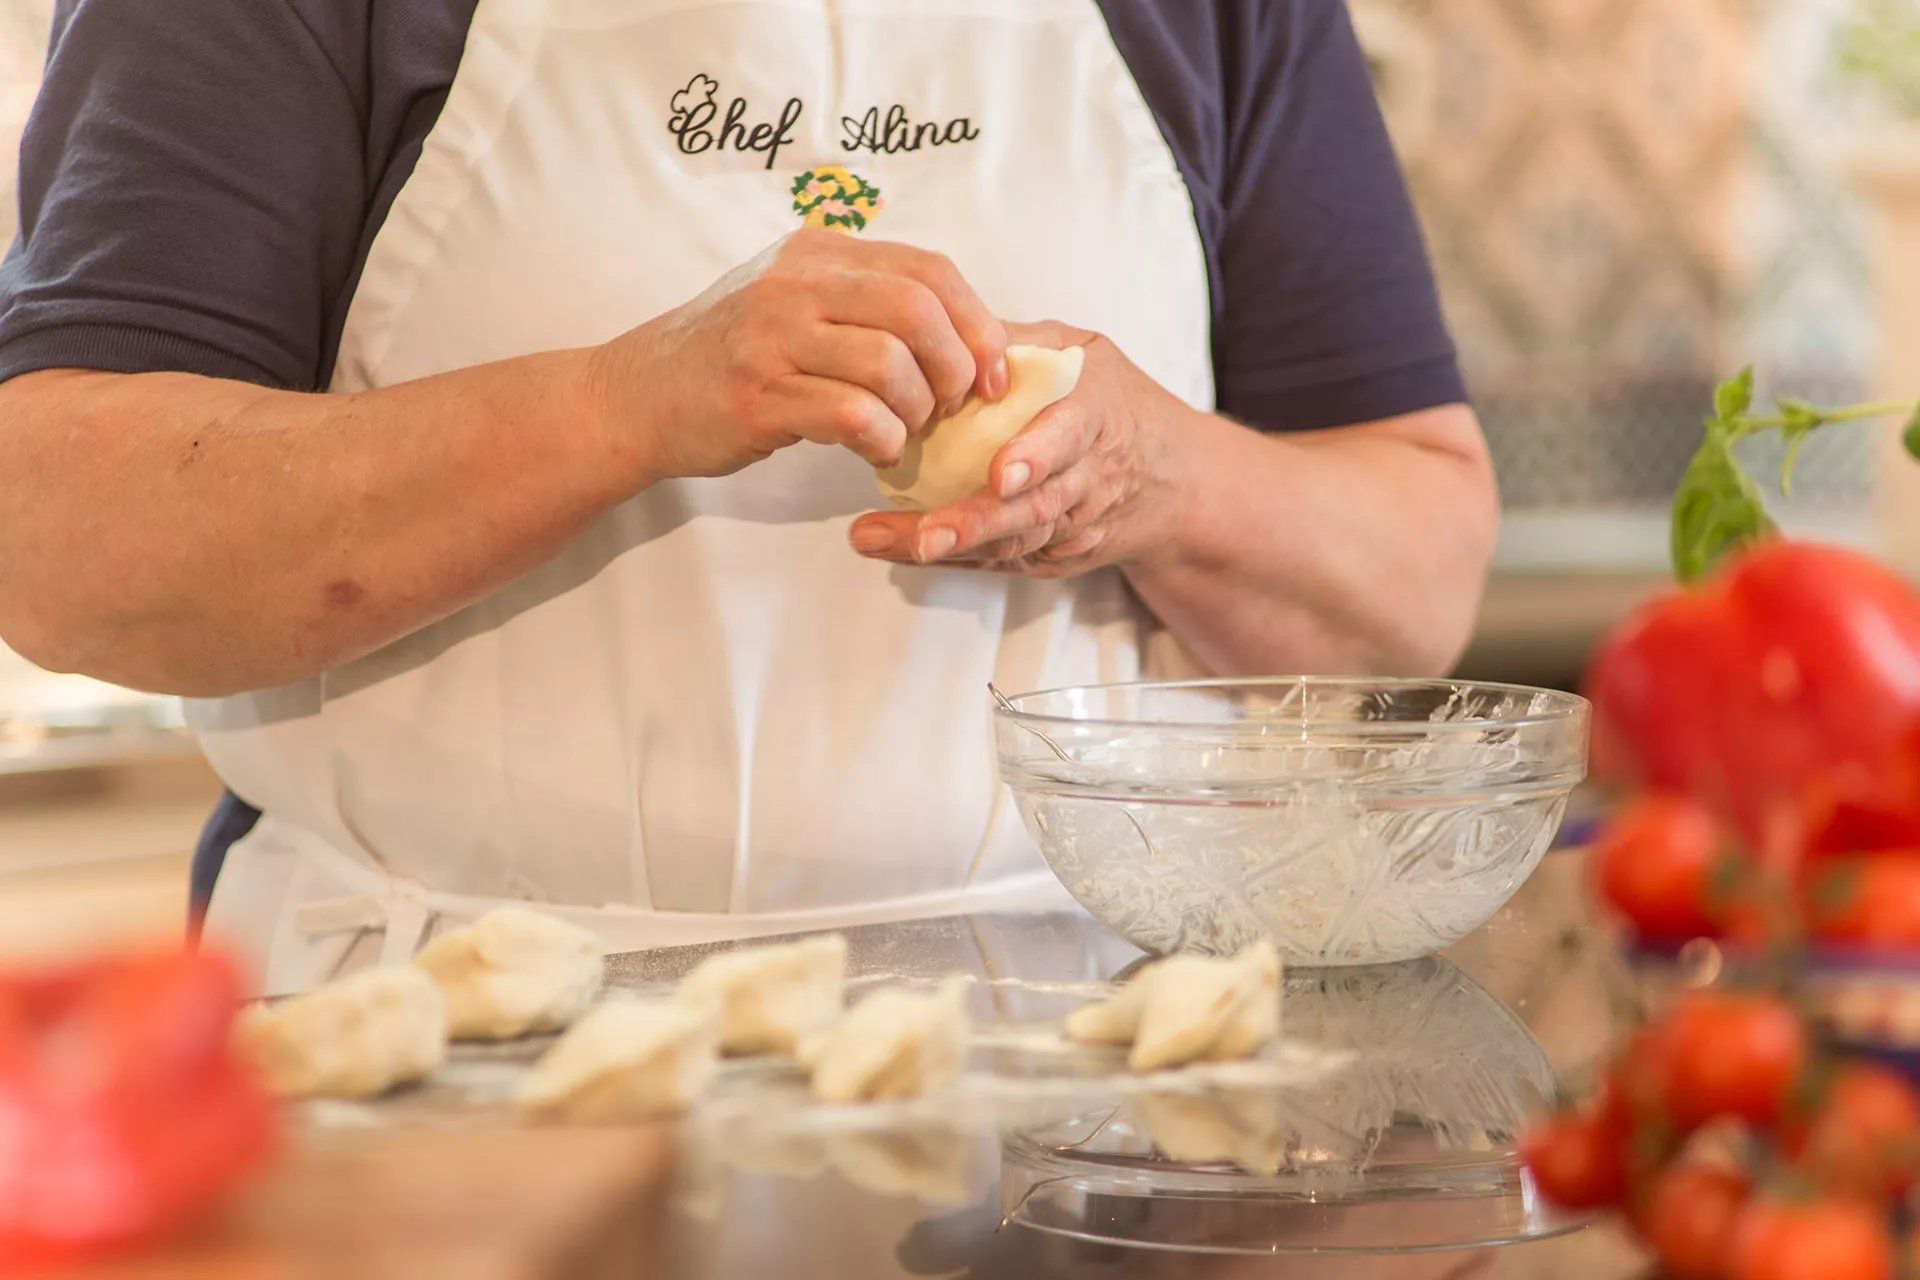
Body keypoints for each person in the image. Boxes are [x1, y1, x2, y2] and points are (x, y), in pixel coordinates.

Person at [0, 0, 1496, 991]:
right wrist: (627, 404)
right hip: (434, 1061)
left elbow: (1414, 582)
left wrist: (1156, 474)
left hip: (1090, 1098)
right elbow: (63, 535)